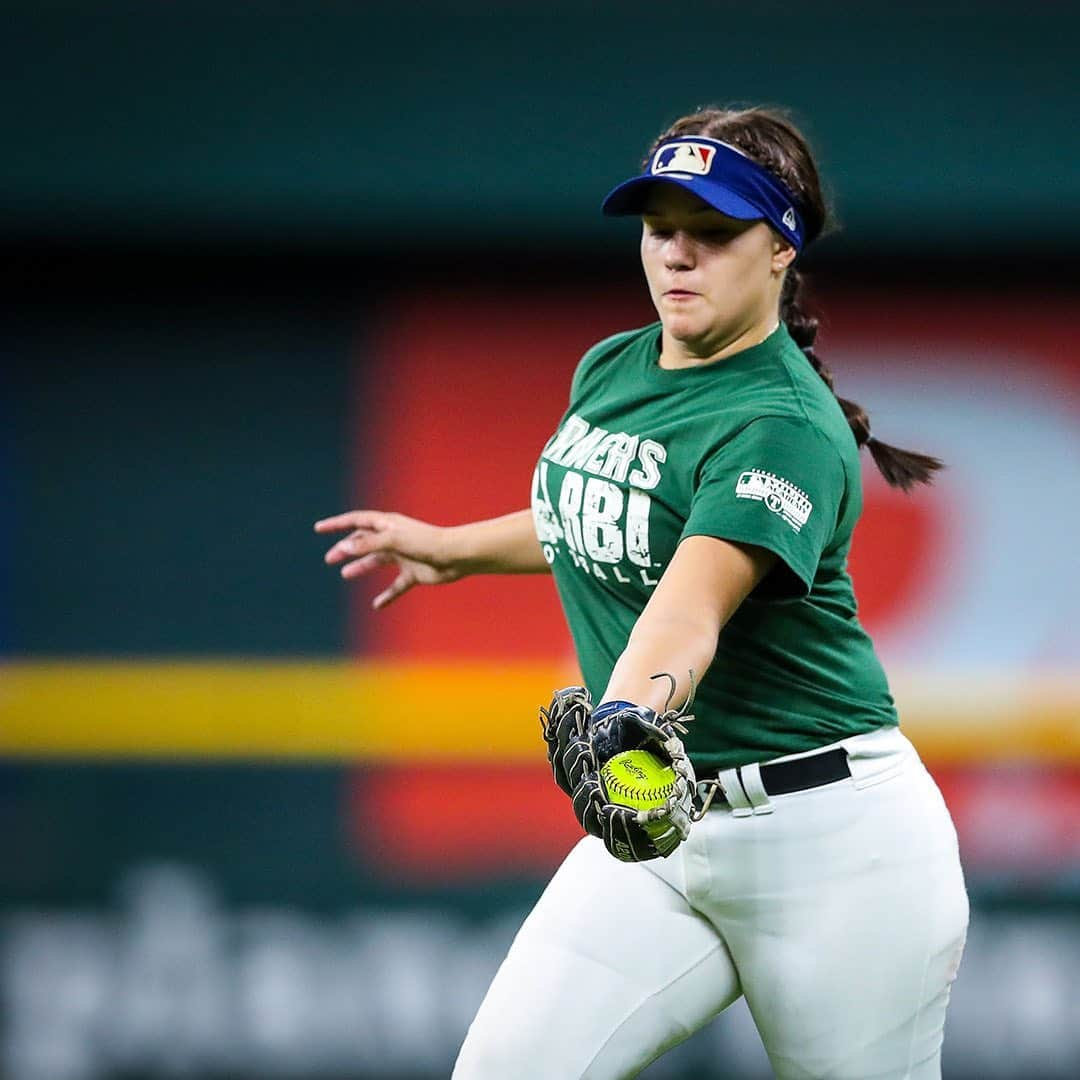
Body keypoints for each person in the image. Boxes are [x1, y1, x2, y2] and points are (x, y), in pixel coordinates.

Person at [315, 106, 968, 1080]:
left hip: (837, 850)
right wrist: (454, 549)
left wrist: (626, 716)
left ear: (781, 246)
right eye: (662, 230)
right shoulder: (614, 366)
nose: (679, 256)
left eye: (714, 234)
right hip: (664, 829)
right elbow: (604, 518)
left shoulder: (781, 423)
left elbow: (692, 603)